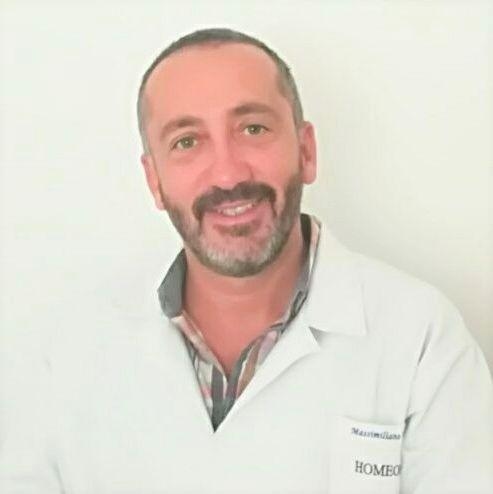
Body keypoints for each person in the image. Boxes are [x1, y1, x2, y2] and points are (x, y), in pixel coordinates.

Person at [1, 27, 492, 494]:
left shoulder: (421, 339)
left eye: (253, 128)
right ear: (154, 181)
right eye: (187, 141)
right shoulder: (65, 350)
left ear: (306, 151)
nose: (228, 174)